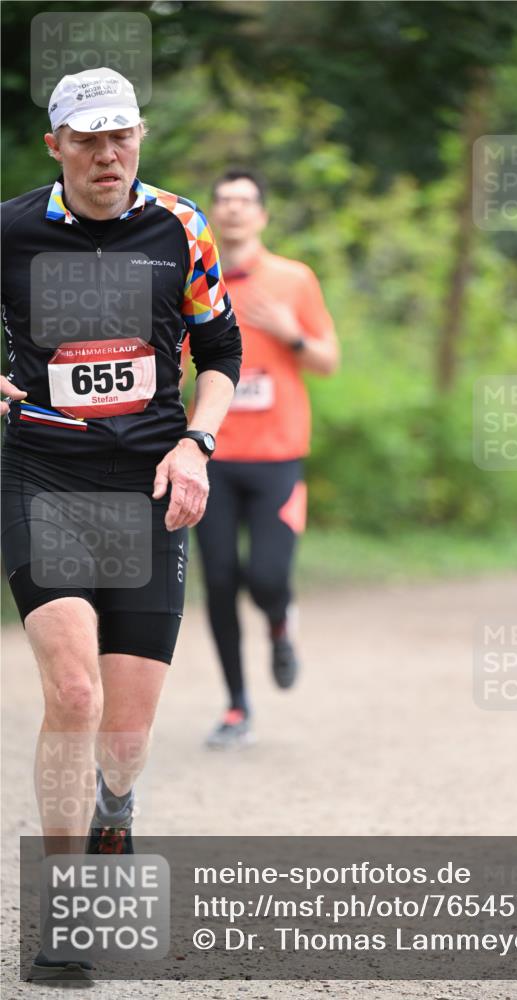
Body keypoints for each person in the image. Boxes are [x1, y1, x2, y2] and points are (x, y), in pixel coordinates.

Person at [0, 68, 241, 982]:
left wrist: (197, 444)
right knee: (72, 696)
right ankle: (64, 914)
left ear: (139, 136)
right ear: (55, 146)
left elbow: (220, 351)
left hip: (151, 490)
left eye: (123, 136)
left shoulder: (180, 227)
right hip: (44, 477)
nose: (109, 155)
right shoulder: (10, 228)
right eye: (89, 139)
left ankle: (116, 807)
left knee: (127, 739)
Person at [194, 169, 339, 749]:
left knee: (268, 578)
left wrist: (290, 334)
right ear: (213, 212)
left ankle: (280, 621)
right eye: (222, 200)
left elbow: (329, 360)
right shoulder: (196, 279)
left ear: (262, 214)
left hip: (278, 458)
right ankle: (235, 705)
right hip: (213, 456)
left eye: (243, 201)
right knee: (220, 581)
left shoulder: (294, 280)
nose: (232, 211)